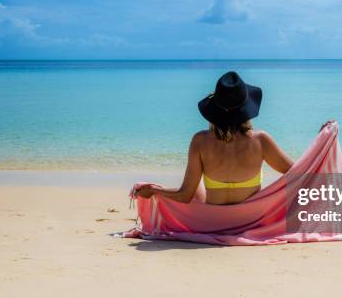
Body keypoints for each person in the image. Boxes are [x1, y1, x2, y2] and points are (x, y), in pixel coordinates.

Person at [135, 71, 331, 205]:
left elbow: (184, 195)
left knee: (194, 187)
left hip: (213, 221)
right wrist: (322, 140)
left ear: (213, 111)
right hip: (250, 219)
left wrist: (154, 190)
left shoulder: (200, 141)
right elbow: (299, 174)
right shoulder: (260, 140)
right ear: (246, 109)